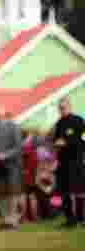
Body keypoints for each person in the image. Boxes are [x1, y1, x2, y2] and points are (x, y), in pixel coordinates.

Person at [0, 103, 23, 231]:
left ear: (3, 113)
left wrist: (5, 155)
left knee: (12, 193)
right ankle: (5, 220)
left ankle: (12, 221)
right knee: (0, 194)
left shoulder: (14, 126)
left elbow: (18, 147)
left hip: (11, 165)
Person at [50, 97, 84, 228]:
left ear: (69, 107)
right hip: (63, 162)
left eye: (63, 107)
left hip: (76, 160)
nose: (61, 110)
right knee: (65, 191)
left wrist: (68, 142)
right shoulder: (59, 123)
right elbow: (55, 141)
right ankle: (70, 219)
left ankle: (82, 218)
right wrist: (56, 150)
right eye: (60, 108)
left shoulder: (78, 120)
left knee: (80, 190)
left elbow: (83, 138)